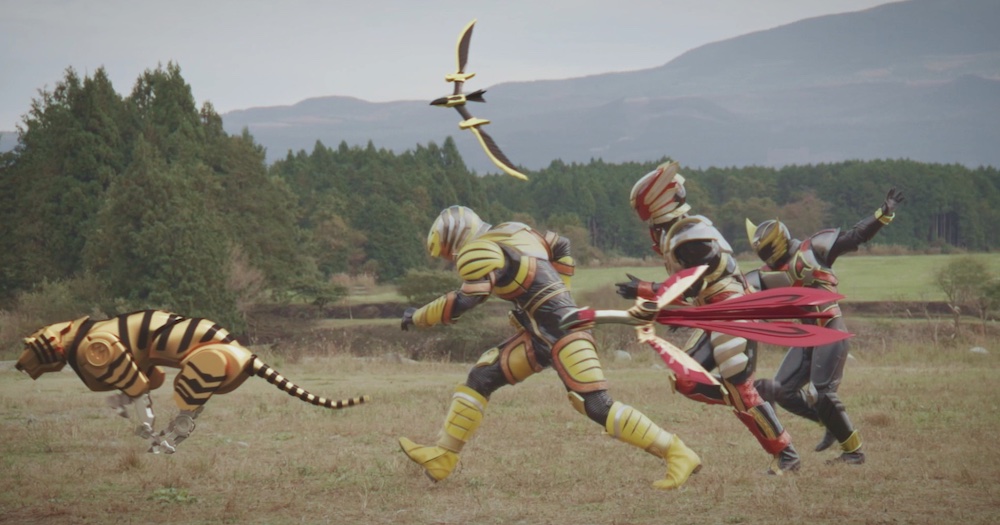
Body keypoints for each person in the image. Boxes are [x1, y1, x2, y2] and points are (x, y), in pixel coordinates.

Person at [398, 205, 701, 490]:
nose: (450, 259)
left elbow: (464, 300)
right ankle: (443, 456)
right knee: (482, 376)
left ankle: (677, 452)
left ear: (456, 238)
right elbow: (561, 244)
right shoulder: (516, 232)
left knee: (594, 404)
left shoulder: (479, 249)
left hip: (563, 332)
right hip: (541, 333)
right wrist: (562, 292)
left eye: (447, 252)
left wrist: (418, 316)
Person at [616, 160, 801, 474]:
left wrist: (646, 288)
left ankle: (786, 453)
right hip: (714, 313)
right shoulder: (681, 232)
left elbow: (692, 284)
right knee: (687, 380)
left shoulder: (691, 234)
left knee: (740, 390)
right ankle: (748, 399)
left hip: (732, 310)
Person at [746, 188, 904, 465]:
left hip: (830, 329)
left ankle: (854, 451)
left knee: (822, 393)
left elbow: (854, 237)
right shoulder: (767, 275)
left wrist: (883, 215)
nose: (766, 256)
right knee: (783, 391)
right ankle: (831, 423)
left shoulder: (812, 250)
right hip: (806, 336)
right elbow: (736, 291)